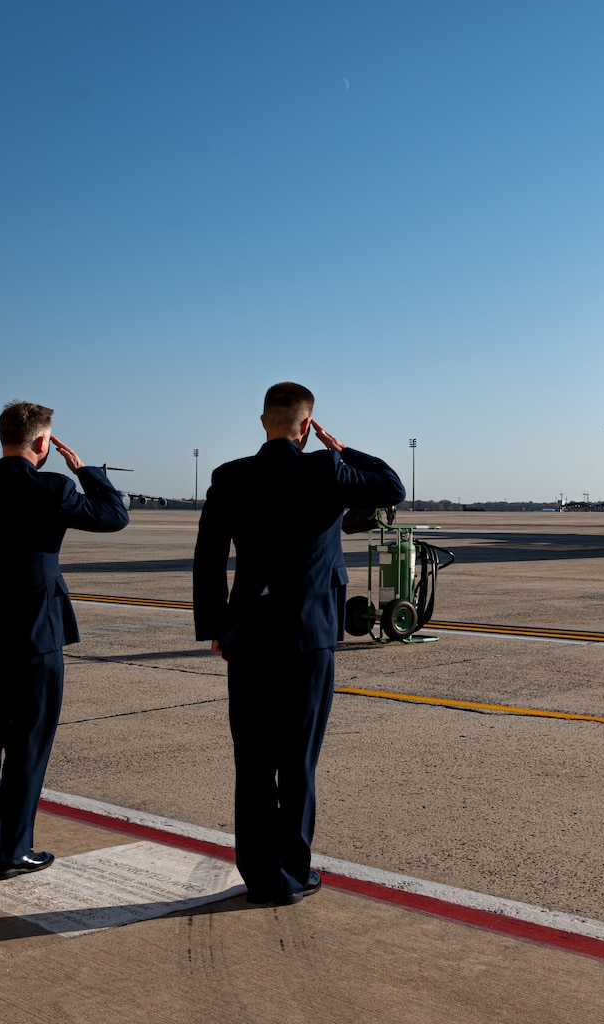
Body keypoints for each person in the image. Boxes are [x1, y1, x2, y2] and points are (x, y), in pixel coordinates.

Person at [193, 382, 404, 906]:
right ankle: (292, 872)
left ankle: (261, 877)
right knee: (298, 759)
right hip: (310, 636)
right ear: (306, 427)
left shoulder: (230, 476)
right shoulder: (326, 470)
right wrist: (340, 448)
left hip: (249, 634)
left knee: (253, 760)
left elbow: (208, 556)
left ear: (263, 422)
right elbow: (391, 487)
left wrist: (215, 626)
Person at [0, 400, 130, 879]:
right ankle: (13, 851)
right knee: (28, 745)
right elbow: (114, 516)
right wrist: (89, 471)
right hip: (36, 639)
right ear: (43, 443)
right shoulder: (54, 486)